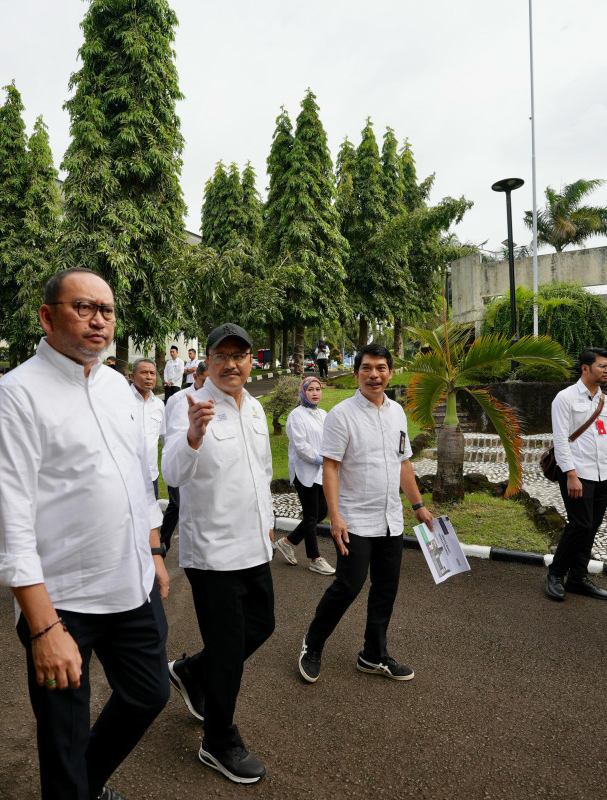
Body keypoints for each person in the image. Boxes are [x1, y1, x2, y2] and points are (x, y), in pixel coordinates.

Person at [0, 267, 169, 800]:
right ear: (47, 315)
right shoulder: (15, 398)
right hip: (62, 601)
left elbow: (137, 478)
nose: (98, 321)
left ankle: (87, 782)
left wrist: (153, 551)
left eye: (106, 311)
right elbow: (7, 520)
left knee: (149, 694)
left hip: (131, 584)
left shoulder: (115, 387)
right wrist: (43, 628)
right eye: (83, 308)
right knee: (62, 741)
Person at [163, 322, 275, 785]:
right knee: (229, 650)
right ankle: (218, 740)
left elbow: (263, 470)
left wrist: (268, 522)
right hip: (211, 550)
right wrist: (191, 435)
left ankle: (192, 670)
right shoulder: (186, 404)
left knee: (263, 626)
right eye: (222, 355)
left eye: (241, 355)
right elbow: (171, 471)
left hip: (254, 543)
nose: (232, 364)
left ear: (252, 361)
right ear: (205, 361)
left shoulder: (255, 409)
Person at [297, 343, 432, 685]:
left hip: (390, 519)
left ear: (389, 371)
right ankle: (312, 644)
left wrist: (417, 506)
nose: (375, 374)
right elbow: (330, 467)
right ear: (356, 372)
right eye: (367, 368)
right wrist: (335, 515)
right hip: (355, 518)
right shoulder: (342, 414)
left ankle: (373, 654)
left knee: (386, 587)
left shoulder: (397, 412)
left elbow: (403, 463)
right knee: (348, 585)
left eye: (381, 368)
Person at [545, 347, 607, 602]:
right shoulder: (565, 398)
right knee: (580, 524)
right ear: (585, 368)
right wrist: (570, 474)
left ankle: (578, 578)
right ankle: (556, 573)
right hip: (576, 472)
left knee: (591, 526)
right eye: (602, 366)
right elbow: (560, 440)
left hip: (602, 474)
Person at [277, 376, 336, 575]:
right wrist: (321, 459)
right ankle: (315, 558)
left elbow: (330, 438)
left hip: (320, 472)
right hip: (304, 471)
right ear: (303, 392)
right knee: (311, 515)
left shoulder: (323, 414)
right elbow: (301, 446)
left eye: (318, 389)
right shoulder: (296, 415)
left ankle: (288, 542)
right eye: (310, 389)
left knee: (321, 513)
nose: (315, 393)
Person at [160, 361, 206, 553]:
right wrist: (175, 454)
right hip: (179, 457)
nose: (209, 387)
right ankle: (162, 543)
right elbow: (167, 433)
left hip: (201, 465)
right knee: (176, 503)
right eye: (205, 381)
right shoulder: (177, 400)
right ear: (195, 378)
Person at [130, 358, 166, 497]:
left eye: (152, 373)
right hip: (126, 474)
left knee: (150, 517)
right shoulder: (121, 400)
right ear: (132, 376)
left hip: (151, 476)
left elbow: (164, 438)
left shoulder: (159, 405)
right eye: (144, 372)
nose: (149, 377)